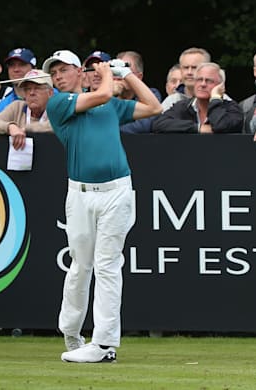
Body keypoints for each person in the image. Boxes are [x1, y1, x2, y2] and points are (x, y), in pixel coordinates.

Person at [42, 49, 162, 363]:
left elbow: (154, 106)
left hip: (117, 191)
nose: (57, 77)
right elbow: (104, 91)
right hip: (80, 194)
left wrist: (127, 74)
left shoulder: (109, 105)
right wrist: (109, 72)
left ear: (79, 72)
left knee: (108, 265)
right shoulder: (58, 103)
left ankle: (104, 344)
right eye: (53, 73)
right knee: (81, 265)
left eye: (63, 71)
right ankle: (71, 332)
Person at [152, 62, 243, 134]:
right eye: (199, 80)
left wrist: (215, 98)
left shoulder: (232, 109)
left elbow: (220, 126)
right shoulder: (183, 106)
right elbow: (159, 124)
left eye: (209, 81)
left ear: (221, 86)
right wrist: (197, 128)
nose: (203, 84)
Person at [0, 69, 55, 148]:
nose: (31, 93)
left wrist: (24, 129)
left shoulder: (58, 108)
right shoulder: (17, 106)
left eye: (37, 88)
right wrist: (10, 127)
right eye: (28, 89)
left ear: (50, 93)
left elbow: (58, 126)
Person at [0, 48, 40, 112]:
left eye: (22, 65)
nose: (16, 69)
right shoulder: (2, 105)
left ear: (34, 69)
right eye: (12, 65)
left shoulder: (51, 95)